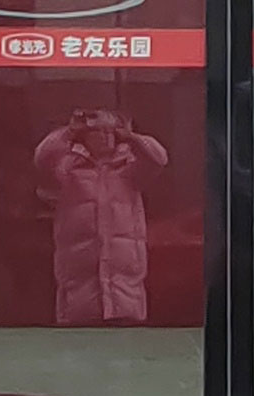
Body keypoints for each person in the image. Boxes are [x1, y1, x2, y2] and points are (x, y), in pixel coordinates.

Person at [33, 108, 169, 324]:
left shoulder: (130, 171)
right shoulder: (68, 170)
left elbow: (159, 159)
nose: (106, 137)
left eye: (110, 132)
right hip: (79, 293)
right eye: (98, 132)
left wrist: (131, 137)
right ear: (85, 136)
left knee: (126, 339)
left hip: (126, 294)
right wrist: (69, 131)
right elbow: (43, 158)